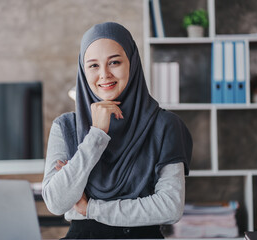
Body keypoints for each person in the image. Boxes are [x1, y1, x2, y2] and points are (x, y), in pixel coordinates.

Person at [42, 22, 193, 239]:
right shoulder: (65, 127)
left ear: (131, 62)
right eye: (93, 65)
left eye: (114, 62)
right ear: (83, 71)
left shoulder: (165, 125)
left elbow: (170, 207)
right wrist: (96, 134)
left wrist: (91, 209)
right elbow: (56, 203)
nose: (104, 74)